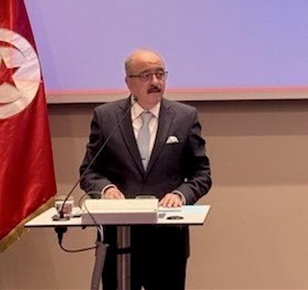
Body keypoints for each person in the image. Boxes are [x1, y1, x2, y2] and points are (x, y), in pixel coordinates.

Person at [79, 48, 212, 290]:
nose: (155, 82)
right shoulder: (106, 117)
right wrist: (106, 189)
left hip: (167, 240)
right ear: (128, 82)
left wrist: (180, 195)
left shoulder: (185, 117)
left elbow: (201, 175)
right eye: (146, 75)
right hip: (118, 237)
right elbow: (89, 172)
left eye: (160, 74)